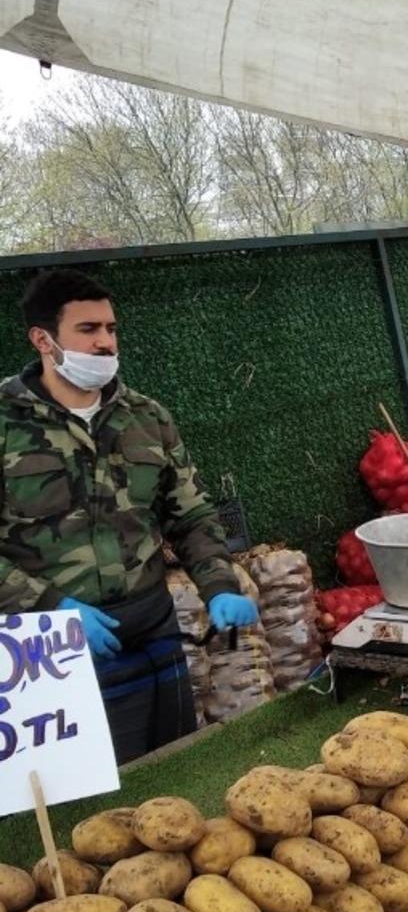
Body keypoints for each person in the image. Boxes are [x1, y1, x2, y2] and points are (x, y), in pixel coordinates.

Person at [1, 268, 259, 762]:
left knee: (170, 774)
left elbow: (191, 515)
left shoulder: (146, 417)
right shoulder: (6, 422)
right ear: (42, 339)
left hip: (151, 630)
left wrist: (220, 585)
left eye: (111, 329)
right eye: (88, 330)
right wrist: (49, 607)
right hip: (44, 652)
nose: (104, 343)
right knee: (82, 803)